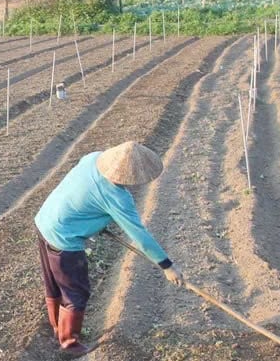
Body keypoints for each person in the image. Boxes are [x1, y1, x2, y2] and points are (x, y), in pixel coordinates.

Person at [34, 141, 184, 356]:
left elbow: (82, 192)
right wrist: (167, 266)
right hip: (63, 238)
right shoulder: (116, 196)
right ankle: (68, 343)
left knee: (53, 283)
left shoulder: (92, 157)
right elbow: (140, 236)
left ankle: (57, 327)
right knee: (76, 291)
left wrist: (94, 219)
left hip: (45, 220)